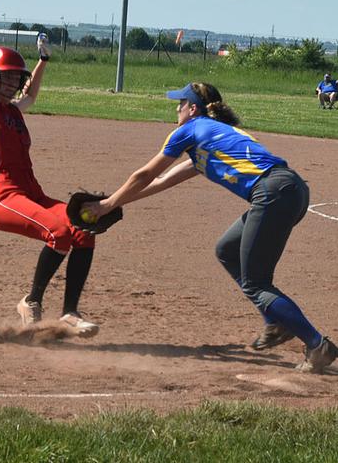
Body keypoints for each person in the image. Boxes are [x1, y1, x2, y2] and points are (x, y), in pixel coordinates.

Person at [84, 82, 336, 373]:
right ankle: (276, 323)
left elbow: (144, 174)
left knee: (256, 282)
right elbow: (160, 182)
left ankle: (317, 345)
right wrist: (112, 202)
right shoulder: (209, 140)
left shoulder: (191, 129)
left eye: (180, 104)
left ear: (193, 109)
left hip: (273, 192)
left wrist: (104, 207)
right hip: (289, 190)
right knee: (227, 249)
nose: (176, 108)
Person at [0, 0, 99, 337]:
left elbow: (31, 97)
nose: (14, 82)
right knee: (58, 230)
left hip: (32, 191)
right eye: (7, 77)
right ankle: (32, 301)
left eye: (16, 77)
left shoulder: (12, 109)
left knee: (84, 226)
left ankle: (68, 312)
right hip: (3, 195)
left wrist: (42, 62)